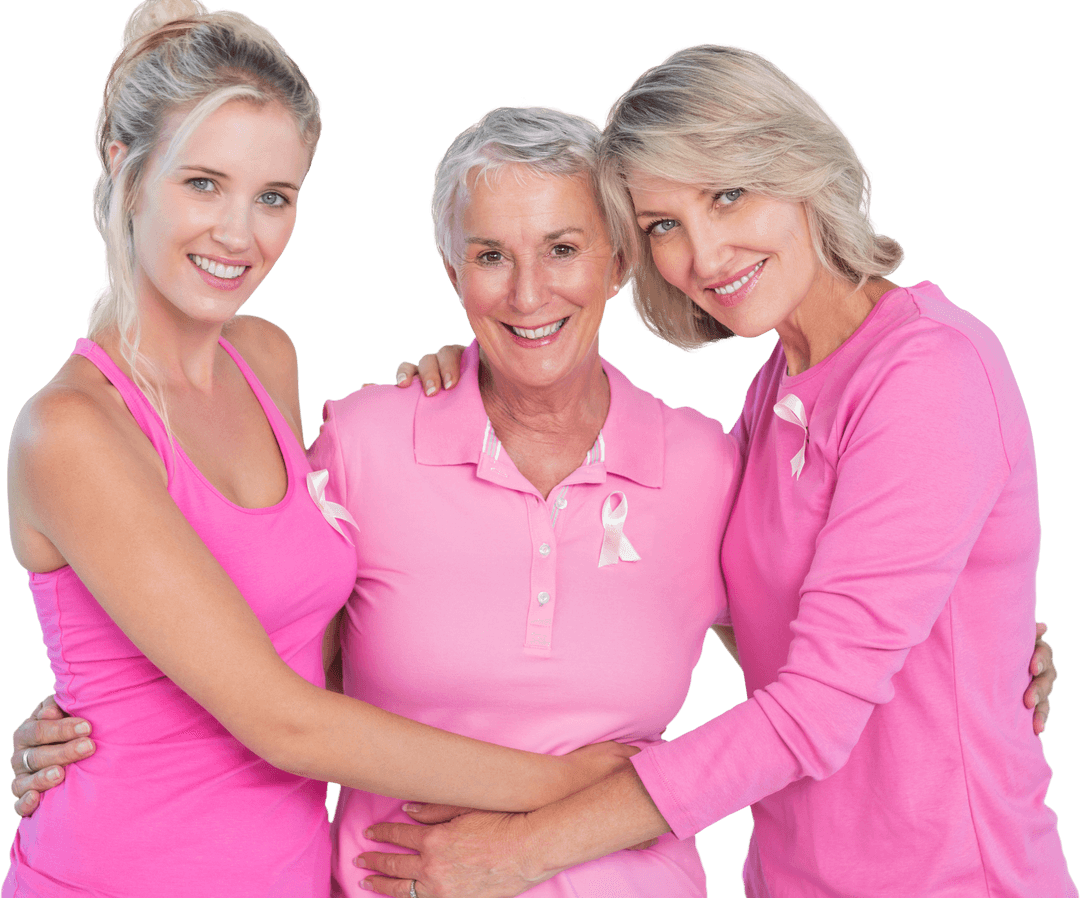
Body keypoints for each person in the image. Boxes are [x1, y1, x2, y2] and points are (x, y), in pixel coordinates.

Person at [9, 47, 1063, 898]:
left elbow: (815, 676)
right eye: (669, 224)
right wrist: (111, 706)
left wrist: (971, 639)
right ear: (451, 272)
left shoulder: (770, 431)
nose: (704, 252)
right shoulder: (374, 434)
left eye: (565, 246)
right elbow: (279, 657)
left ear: (612, 263)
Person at [357, 44, 1075, 897]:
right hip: (792, 878)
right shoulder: (777, 391)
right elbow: (738, 606)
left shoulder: (931, 373)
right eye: (665, 224)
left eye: (728, 194)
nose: (703, 255)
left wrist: (525, 848)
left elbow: (814, 709)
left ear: (799, 168)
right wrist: (486, 375)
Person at [1, 7, 629, 896]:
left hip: (290, 874)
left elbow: (307, 628)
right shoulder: (69, 431)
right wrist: (570, 789)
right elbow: (284, 722)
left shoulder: (265, 358)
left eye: (273, 197)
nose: (238, 235)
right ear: (123, 167)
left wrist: (469, 382)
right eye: (203, 184)